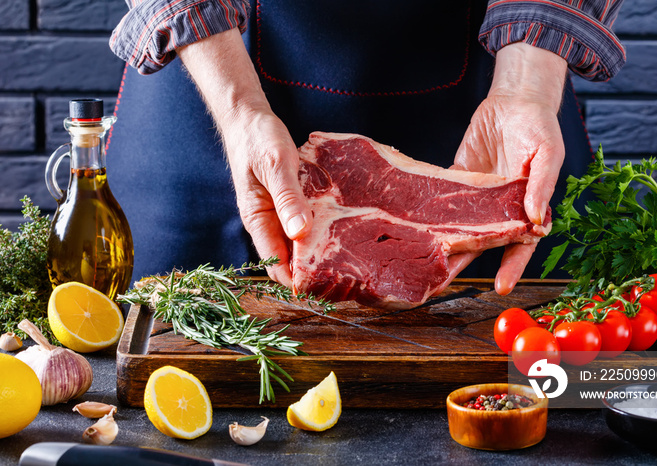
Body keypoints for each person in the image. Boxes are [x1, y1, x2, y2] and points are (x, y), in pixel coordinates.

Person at [107, 0, 626, 295]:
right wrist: (238, 108)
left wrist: (525, 84)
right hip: (207, 80)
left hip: (489, 90)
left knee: (543, 407)